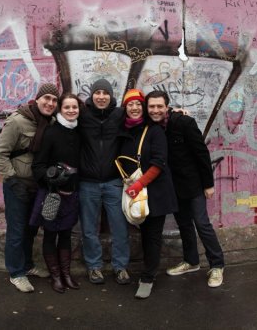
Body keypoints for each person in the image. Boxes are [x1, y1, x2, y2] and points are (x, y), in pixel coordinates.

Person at [147, 90, 226, 288]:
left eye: (159, 106)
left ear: (167, 107)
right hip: (173, 188)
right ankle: (191, 261)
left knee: (202, 224)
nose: (155, 110)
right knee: (184, 225)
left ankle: (217, 265)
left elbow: (201, 153)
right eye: (151, 107)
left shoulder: (183, 123)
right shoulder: (150, 127)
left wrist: (208, 184)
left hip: (194, 184)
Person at [0, 83, 59, 293]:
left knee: (31, 230)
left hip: (37, 186)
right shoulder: (17, 121)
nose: (50, 103)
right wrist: (13, 180)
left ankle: (27, 264)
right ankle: (16, 273)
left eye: (54, 100)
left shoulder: (50, 123)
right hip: (17, 185)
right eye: (46, 98)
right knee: (16, 230)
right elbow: (0, 153)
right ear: (38, 99)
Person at [117, 88, 177, 299]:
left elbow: (159, 162)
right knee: (143, 234)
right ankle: (146, 272)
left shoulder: (154, 130)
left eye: (138, 104)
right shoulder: (123, 130)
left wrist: (138, 185)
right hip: (133, 191)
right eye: (129, 104)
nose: (134, 108)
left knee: (152, 236)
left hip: (155, 192)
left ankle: (147, 278)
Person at [78, 79, 132, 285]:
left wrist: (175, 112)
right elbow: (60, 114)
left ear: (111, 96)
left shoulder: (119, 114)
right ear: (92, 95)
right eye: (97, 92)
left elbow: (143, 115)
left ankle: (120, 267)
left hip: (113, 181)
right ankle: (94, 267)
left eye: (105, 93)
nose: (101, 96)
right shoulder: (82, 114)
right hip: (87, 182)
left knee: (119, 227)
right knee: (89, 228)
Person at [30, 93, 83, 293]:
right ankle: (56, 277)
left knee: (66, 235)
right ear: (60, 109)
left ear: (79, 109)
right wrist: (51, 178)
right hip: (52, 194)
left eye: (74, 107)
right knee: (50, 236)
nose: (71, 111)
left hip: (71, 194)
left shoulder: (79, 131)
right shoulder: (50, 132)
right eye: (67, 107)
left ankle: (66, 275)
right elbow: (38, 166)